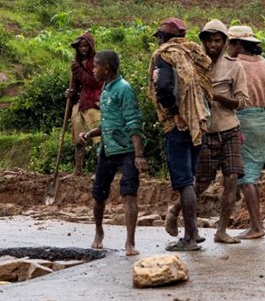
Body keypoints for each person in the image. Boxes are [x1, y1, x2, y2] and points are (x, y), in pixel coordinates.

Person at [148, 17, 212, 252]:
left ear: (163, 38)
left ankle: (189, 238)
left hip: (179, 125)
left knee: (184, 181)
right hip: (198, 121)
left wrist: (175, 114)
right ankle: (194, 231)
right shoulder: (193, 53)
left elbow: (163, 88)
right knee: (190, 178)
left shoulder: (165, 55)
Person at [79, 50, 145, 256]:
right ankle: (99, 231)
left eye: (96, 66)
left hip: (126, 150)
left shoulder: (124, 89)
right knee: (98, 194)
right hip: (108, 149)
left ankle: (130, 242)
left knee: (129, 193)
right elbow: (109, 123)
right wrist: (90, 134)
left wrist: (138, 155)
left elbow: (133, 122)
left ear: (107, 68)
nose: (93, 69)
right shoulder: (106, 88)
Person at [189, 19, 249, 245]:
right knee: (200, 183)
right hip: (205, 131)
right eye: (209, 40)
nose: (213, 45)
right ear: (202, 42)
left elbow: (242, 102)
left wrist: (220, 98)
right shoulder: (195, 66)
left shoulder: (234, 66)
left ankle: (221, 230)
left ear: (224, 42)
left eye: (217, 40)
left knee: (232, 179)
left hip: (229, 129)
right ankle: (177, 212)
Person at [228, 25, 265, 239]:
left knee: (246, 176)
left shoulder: (234, 65)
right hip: (260, 122)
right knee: (249, 172)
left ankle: (256, 225)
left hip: (238, 120)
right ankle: (253, 222)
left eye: (230, 43)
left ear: (238, 44)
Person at [66, 32, 102, 175]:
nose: (83, 49)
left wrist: (77, 70)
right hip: (80, 104)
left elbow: (93, 82)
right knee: (78, 138)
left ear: (91, 47)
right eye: (80, 47)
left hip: (94, 103)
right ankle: (78, 170)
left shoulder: (97, 62)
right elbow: (76, 86)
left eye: (86, 46)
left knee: (98, 139)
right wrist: (70, 93)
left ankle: (100, 172)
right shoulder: (77, 63)